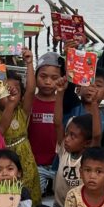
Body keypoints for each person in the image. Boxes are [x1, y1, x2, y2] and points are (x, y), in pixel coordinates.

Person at [0, 53, 43, 203]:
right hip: (0, 160)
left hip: (24, 158)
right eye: (5, 90)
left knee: (26, 193)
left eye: (15, 90)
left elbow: (31, 90)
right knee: (3, 194)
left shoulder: (22, 111)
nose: (10, 93)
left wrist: (30, 63)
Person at [35, 114, 99, 207]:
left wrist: (94, 104)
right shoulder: (64, 151)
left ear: (87, 143)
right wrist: (59, 95)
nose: (67, 139)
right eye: (67, 134)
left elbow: (97, 136)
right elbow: (58, 123)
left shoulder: (89, 157)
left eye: (73, 136)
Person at [27, 52, 63, 194]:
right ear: (35, 77)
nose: (48, 82)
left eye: (54, 78)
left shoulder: (62, 103)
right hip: (35, 164)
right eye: (43, 76)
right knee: (35, 196)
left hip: (58, 164)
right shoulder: (29, 103)